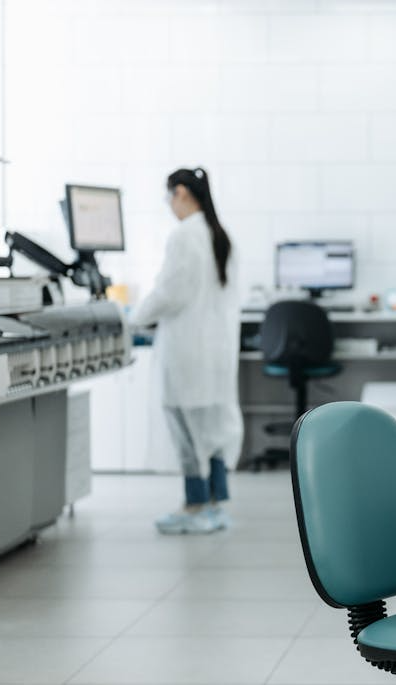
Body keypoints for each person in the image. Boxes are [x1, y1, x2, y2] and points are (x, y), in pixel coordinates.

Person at [131, 167, 243, 535]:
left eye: (169, 197)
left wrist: (132, 318)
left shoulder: (184, 236)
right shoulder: (219, 234)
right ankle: (215, 504)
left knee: (188, 436)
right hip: (215, 352)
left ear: (180, 192)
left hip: (187, 352)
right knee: (211, 434)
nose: (169, 205)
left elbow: (169, 293)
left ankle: (196, 505)